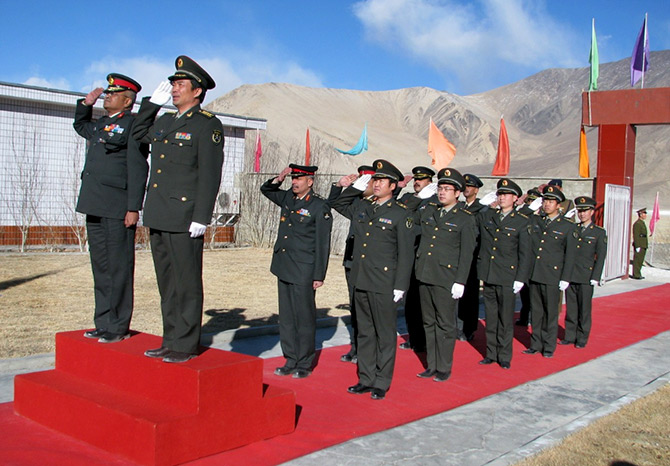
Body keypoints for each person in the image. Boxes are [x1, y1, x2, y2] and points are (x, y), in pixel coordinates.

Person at [132, 56, 224, 363]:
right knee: (167, 284)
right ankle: (170, 339)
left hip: (185, 218)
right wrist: (150, 106)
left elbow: (210, 174)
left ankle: (184, 345)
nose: (174, 89)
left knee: (186, 284)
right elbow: (135, 136)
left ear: (197, 91)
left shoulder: (207, 125)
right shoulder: (165, 121)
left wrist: (202, 217)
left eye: (180, 84)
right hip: (159, 213)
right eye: (173, 83)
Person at [75, 74, 149, 343]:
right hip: (94, 203)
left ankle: (118, 326)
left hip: (118, 207)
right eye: (107, 93)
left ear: (127, 101)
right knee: (101, 267)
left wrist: (133, 207)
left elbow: (138, 167)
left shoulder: (133, 125)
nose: (107, 96)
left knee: (119, 268)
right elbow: (80, 125)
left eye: (112, 94)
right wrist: (86, 103)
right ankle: (103, 322)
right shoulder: (102, 124)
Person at [332, 159, 415, 400]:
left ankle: (381, 381)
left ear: (393, 186)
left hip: (385, 283)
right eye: (374, 180)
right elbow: (337, 203)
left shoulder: (401, 215)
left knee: (384, 333)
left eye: (381, 181)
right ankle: (365, 378)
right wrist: (352, 186)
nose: (376, 184)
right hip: (362, 279)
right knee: (365, 332)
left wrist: (401, 286)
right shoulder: (364, 207)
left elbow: (406, 254)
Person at [261, 164, 332, 378]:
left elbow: (322, 244)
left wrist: (319, 275)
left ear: (309, 182)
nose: (294, 182)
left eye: (298, 179)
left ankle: (304, 362)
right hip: (284, 265)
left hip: (304, 269)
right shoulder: (288, 199)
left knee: (304, 317)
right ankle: (290, 358)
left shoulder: (319, 207)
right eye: (293, 178)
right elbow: (267, 190)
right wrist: (278, 178)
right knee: (287, 317)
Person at [413, 168, 476, 381]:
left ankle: (444, 366)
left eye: (447, 189)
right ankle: (431, 364)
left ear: (458, 193)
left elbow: (467, 254)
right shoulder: (429, 210)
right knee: (428, 322)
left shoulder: (465, 218)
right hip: (425, 274)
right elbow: (409, 217)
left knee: (446, 324)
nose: (442, 193)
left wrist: (460, 281)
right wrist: (418, 198)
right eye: (440, 188)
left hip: (446, 278)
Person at [477, 179, 531, 369]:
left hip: (508, 276)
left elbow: (525, 254)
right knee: (490, 317)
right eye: (500, 194)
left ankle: (505, 355)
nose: (502, 197)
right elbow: (476, 219)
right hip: (490, 274)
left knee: (505, 318)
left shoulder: (522, 222)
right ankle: (491, 353)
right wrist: (485, 206)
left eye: (506, 195)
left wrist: (520, 278)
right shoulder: (491, 217)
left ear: (515, 198)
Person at [329, 165, 375, 364]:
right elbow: (333, 203)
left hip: (372, 266)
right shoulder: (358, 204)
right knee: (355, 308)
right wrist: (342, 186)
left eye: (367, 181)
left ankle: (370, 350)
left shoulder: (379, 205)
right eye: (361, 181)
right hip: (352, 262)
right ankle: (356, 348)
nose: (363, 185)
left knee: (370, 311)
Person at [524, 185, 576, 358]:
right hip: (536, 273)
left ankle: (548, 346)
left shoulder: (567, 226)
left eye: (551, 201)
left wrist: (566, 278)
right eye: (545, 200)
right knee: (536, 312)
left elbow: (570, 255)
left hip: (553, 276)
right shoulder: (536, 221)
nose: (547, 204)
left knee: (550, 313)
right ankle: (536, 343)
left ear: (559, 205)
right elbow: (522, 219)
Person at [396, 166, 436, 352]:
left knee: (425, 303)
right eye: (416, 179)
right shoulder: (408, 199)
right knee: (410, 303)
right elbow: (401, 214)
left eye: (421, 180)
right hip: (408, 256)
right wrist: (416, 199)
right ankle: (414, 338)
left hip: (425, 257)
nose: (417, 182)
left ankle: (426, 341)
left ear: (430, 182)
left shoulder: (436, 201)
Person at [560, 196, 607, 348]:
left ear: (592, 212)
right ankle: (570, 335)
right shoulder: (573, 229)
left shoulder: (598, 232)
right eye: (580, 211)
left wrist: (596, 276)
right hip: (572, 275)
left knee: (584, 309)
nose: (582, 214)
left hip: (586, 276)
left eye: (585, 211)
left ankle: (582, 337)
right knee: (571, 308)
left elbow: (600, 256)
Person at [458, 173, 486, 341]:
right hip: (457, 255)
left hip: (473, 256)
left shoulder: (482, 208)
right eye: (464, 186)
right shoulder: (460, 206)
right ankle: (457, 325)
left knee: (470, 294)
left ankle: (469, 328)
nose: (466, 189)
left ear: (476, 189)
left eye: (469, 186)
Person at [515, 187, 542, 326]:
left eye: (533, 201)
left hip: (536, 261)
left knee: (534, 293)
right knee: (525, 293)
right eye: (529, 201)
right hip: (524, 259)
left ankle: (532, 316)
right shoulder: (524, 217)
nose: (530, 203)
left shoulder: (541, 219)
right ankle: (524, 316)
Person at [631, 207, 649, 279]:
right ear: (640, 214)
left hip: (643, 243)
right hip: (640, 244)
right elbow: (636, 235)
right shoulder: (637, 224)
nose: (645, 215)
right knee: (637, 260)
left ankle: (638, 273)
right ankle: (636, 274)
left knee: (641, 260)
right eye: (644, 213)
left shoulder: (642, 223)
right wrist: (637, 245)